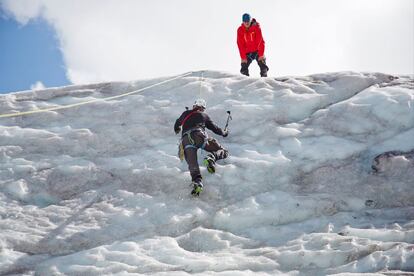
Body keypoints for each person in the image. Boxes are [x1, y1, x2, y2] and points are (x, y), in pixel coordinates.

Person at [174, 99, 229, 196]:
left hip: (186, 140)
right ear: (203, 108)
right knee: (223, 151)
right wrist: (225, 133)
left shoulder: (185, 113)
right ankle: (211, 158)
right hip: (199, 136)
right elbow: (216, 129)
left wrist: (178, 128)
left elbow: (177, 124)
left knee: (193, 165)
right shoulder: (204, 116)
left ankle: (197, 182)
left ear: (194, 106)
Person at [237, 13, 269, 77]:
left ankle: (264, 79)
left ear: (250, 20)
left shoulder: (256, 27)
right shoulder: (240, 30)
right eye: (245, 22)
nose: (246, 23)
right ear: (243, 22)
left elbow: (260, 41)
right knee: (243, 68)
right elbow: (240, 44)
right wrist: (243, 57)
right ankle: (245, 81)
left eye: (248, 21)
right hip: (248, 52)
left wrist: (261, 54)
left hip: (257, 50)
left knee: (262, 65)